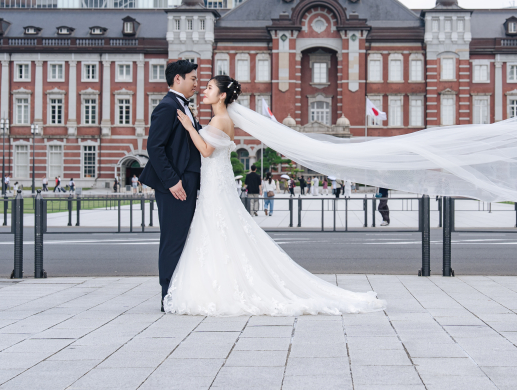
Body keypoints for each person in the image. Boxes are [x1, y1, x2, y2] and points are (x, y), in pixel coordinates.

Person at [162, 74, 385, 317]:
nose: (203, 90)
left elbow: (206, 151)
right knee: (224, 231)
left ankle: (216, 284)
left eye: (209, 88)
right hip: (217, 183)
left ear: (222, 95)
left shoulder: (219, 120)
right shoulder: (223, 119)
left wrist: (189, 127)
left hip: (215, 185)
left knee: (217, 230)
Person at [139, 60, 202, 312]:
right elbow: (154, 148)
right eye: (193, 79)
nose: (196, 83)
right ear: (178, 79)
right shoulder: (166, 107)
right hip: (175, 185)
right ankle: (168, 295)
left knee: (182, 240)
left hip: (186, 182)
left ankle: (178, 291)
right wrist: (172, 181)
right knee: (173, 240)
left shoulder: (183, 106)